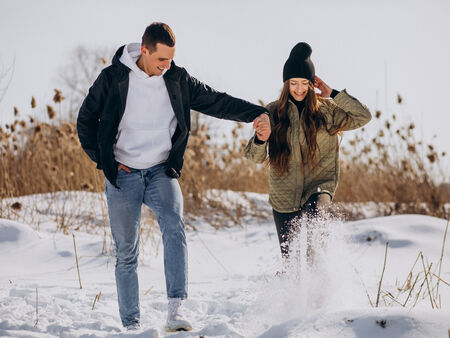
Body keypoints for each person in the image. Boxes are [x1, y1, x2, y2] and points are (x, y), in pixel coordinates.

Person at [77, 22, 269, 332]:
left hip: (160, 171)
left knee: (174, 227)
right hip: (123, 173)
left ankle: (176, 311)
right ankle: (132, 325)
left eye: (170, 59)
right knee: (127, 252)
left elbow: (216, 101)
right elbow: (85, 121)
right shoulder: (113, 79)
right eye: (160, 60)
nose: (166, 66)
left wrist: (256, 114)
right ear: (144, 51)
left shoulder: (177, 80)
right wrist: (105, 162)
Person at [245, 42, 371, 263]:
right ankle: (292, 295)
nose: (300, 89)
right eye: (294, 83)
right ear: (286, 84)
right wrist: (260, 139)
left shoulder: (327, 111)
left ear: (312, 84)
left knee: (315, 224)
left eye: (305, 83)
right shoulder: (272, 111)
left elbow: (363, 116)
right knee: (290, 262)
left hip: (318, 185)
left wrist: (333, 93)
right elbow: (254, 157)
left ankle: (319, 287)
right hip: (284, 193)